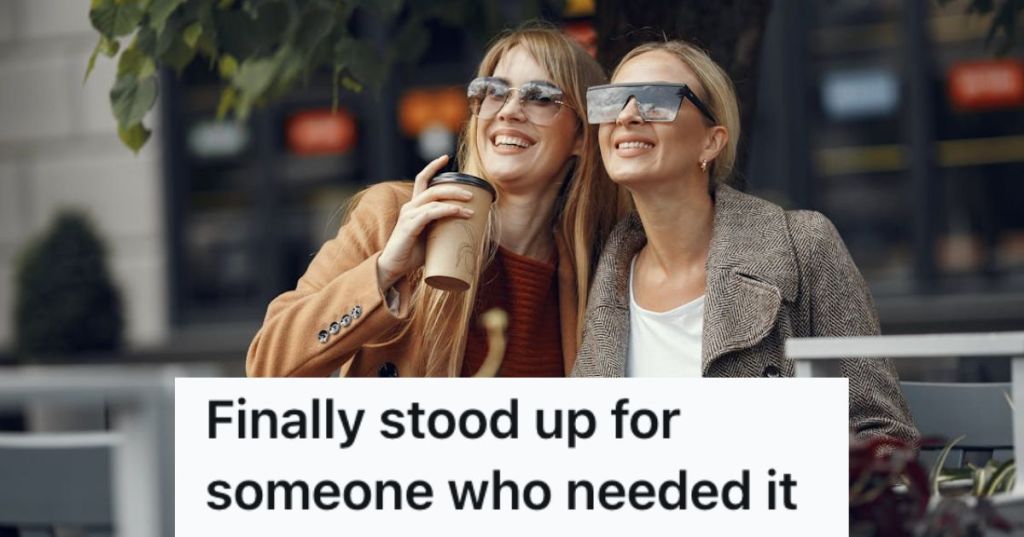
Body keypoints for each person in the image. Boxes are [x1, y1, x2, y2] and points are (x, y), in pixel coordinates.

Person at [572, 40, 918, 444]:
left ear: (711, 142)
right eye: (613, 101)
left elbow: (884, 436)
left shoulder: (804, 245)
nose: (627, 116)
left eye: (655, 100)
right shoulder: (602, 268)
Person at [247, 26, 622, 378]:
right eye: (493, 91)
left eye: (540, 97)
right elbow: (267, 365)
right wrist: (385, 271)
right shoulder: (395, 216)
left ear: (581, 137)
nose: (508, 110)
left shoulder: (598, 269)